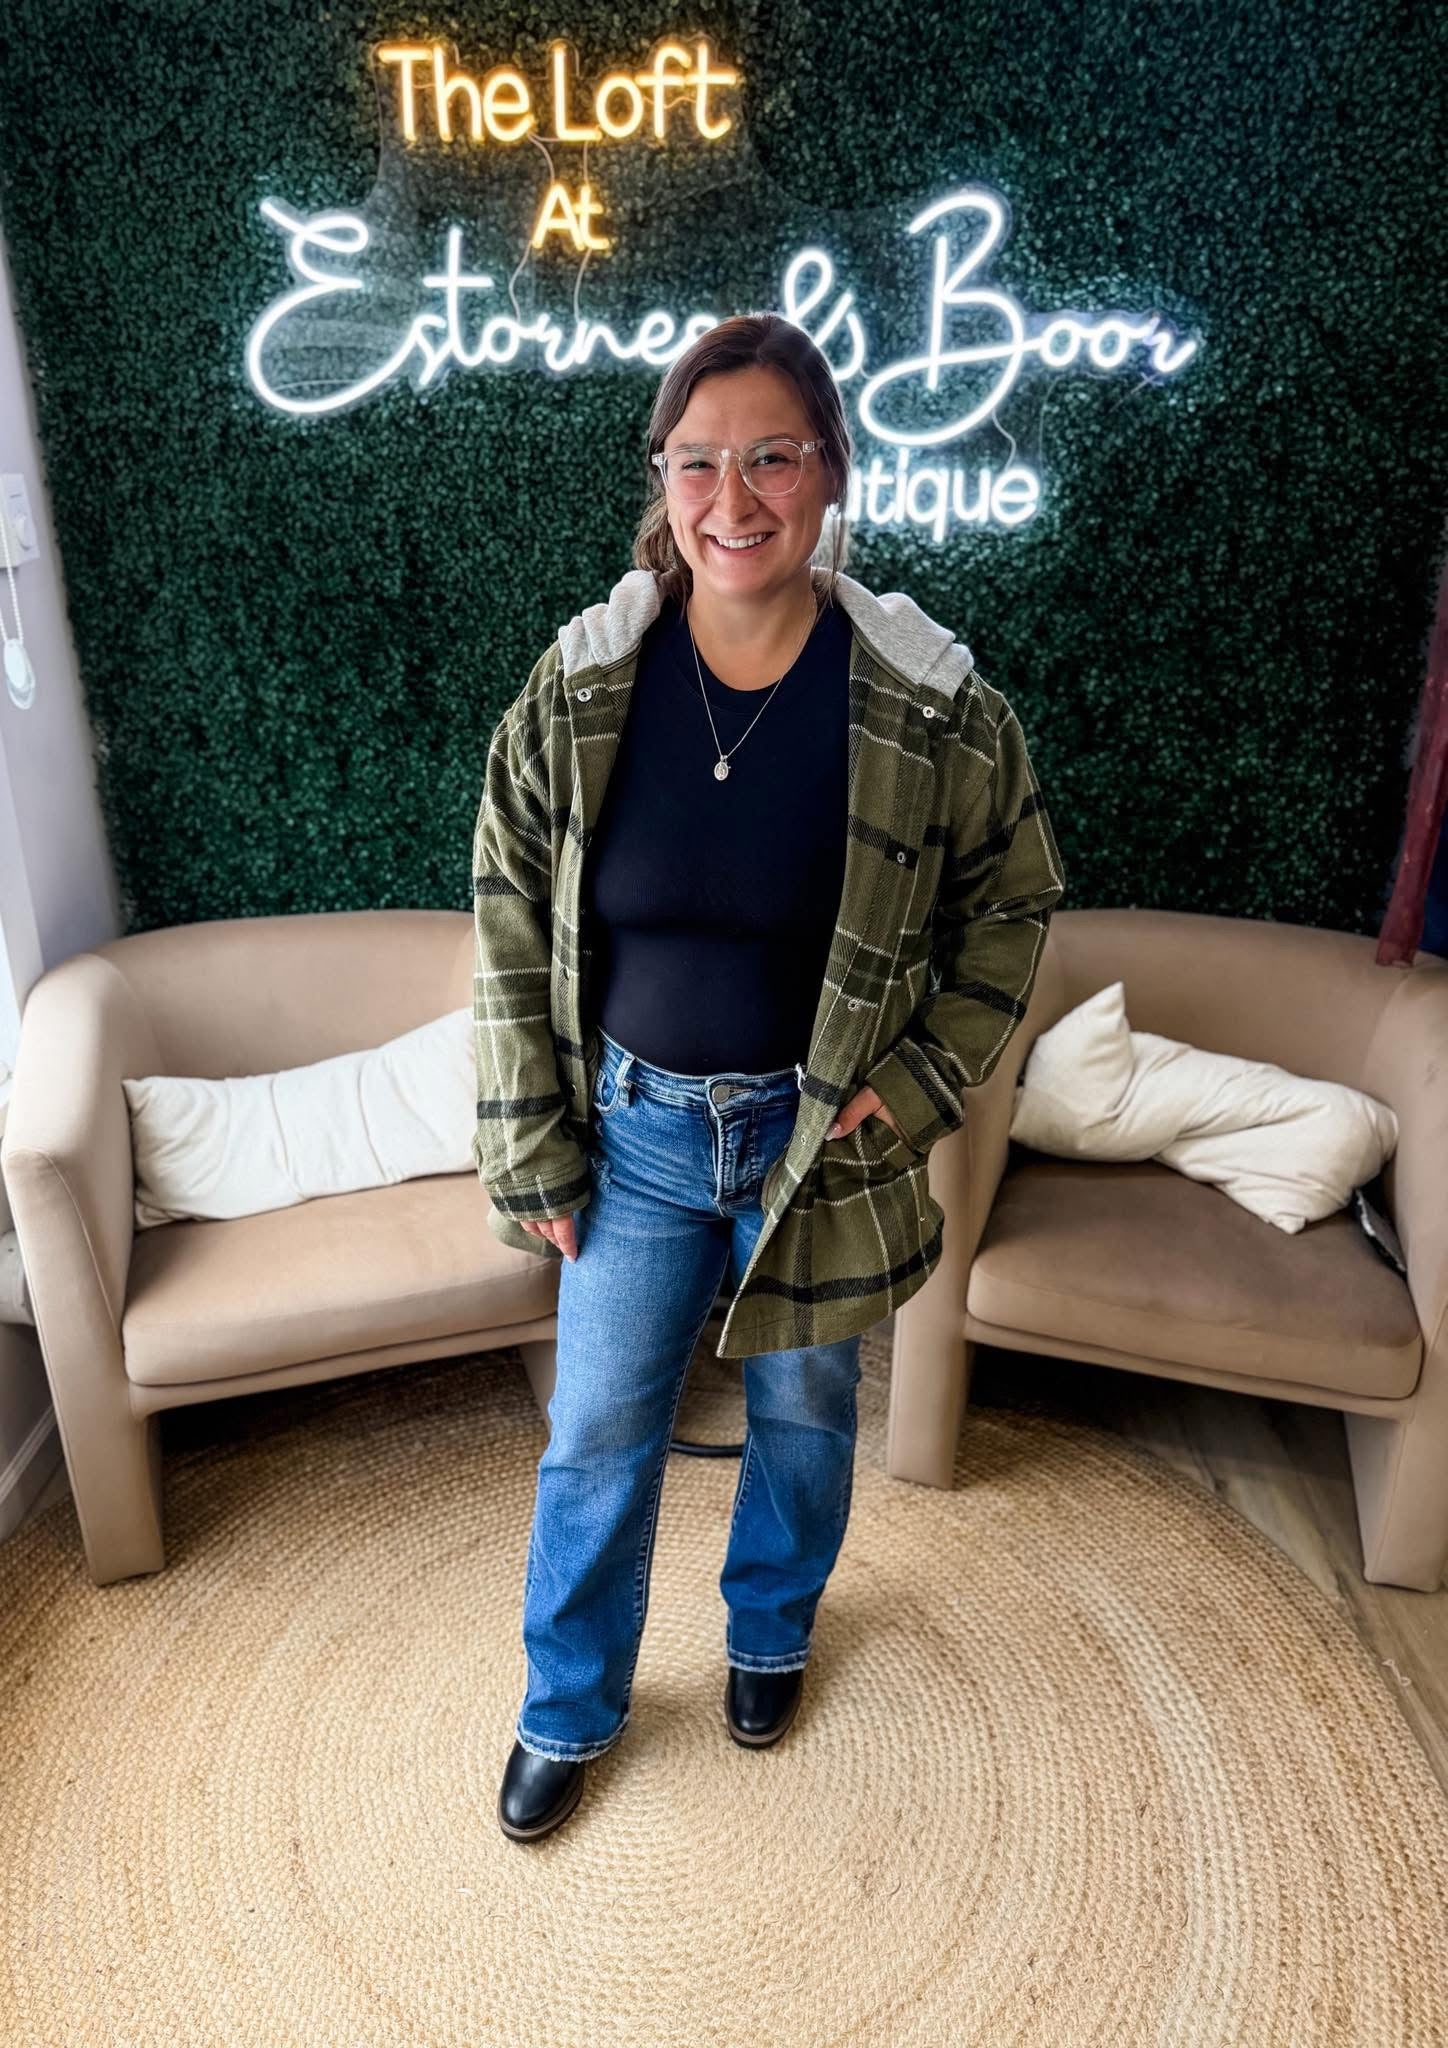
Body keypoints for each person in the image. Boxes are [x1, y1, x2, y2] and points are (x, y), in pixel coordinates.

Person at [471, 312, 1066, 1842]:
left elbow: (1014, 903)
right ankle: (568, 1704)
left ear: (832, 473)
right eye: (698, 463)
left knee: (806, 1413)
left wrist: (918, 1085)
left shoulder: (926, 703)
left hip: (824, 1144)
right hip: (637, 1138)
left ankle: (770, 1633)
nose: (732, 500)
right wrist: (531, 1140)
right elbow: (507, 902)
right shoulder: (586, 683)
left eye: (772, 459)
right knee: (597, 1433)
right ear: (662, 481)